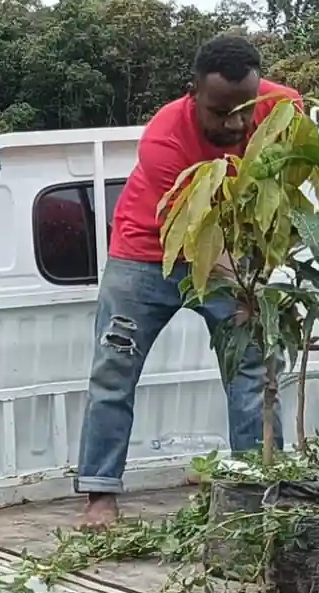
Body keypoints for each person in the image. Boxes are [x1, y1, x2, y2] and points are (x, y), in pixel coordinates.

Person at [76, 33, 302, 529]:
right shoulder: (164, 139)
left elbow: (283, 193)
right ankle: (100, 495)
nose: (238, 123)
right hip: (148, 253)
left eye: (246, 107)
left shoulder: (285, 110)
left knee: (252, 370)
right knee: (115, 370)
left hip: (235, 253)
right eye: (221, 112)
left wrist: (258, 279)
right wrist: (243, 291)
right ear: (192, 92)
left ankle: (257, 491)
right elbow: (199, 232)